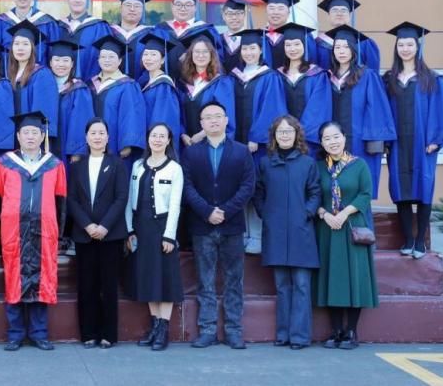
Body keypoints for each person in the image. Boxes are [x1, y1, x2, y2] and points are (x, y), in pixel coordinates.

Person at [0, 112, 67, 351]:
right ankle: (15, 334)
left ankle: (39, 333)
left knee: (42, 280)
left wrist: (58, 231)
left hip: (45, 232)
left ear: (42, 136)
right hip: (14, 231)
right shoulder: (4, 163)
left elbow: (61, 201)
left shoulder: (54, 165)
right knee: (14, 278)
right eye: (26, 132)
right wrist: (4, 224)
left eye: (35, 132)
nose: (30, 136)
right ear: (18, 136)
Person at [182, 101, 255, 350]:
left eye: (217, 116)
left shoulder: (241, 151)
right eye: (208, 117)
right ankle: (207, 330)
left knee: (234, 280)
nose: (213, 120)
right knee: (205, 280)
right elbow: (187, 186)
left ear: (226, 120)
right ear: (201, 123)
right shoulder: (191, 152)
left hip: (232, 225)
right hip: (202, 225)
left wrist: (225, 211)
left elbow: (248, 186)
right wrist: (207, 211)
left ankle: (234, 330)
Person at [384, 22, 443, 258]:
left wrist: (436, 139)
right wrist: (385, 140)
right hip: (398, 143)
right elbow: (383, 111)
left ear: (417, 47)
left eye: (409, 44)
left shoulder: (431, 79)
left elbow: (441, 111)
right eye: (401, 45)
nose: (405, 49)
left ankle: (421, 240)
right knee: (399, 189)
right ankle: (408, 239)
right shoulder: (389, 79)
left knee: (423, 187)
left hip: (423, 143)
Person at [253, 116, 320, 349]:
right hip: (276, 232)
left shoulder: (307, 163)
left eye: (289, 131)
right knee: (282, 286)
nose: (284, 135)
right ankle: (283, 334)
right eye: (280, 131)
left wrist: (307, 213)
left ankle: (300, 336)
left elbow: (315, 192)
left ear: (296, 135)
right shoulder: (265, 163)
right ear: (274, 136)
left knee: (301, 285)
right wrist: (266, 214)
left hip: (302, 232)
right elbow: (258, 192)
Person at [314, 121, 379, 350]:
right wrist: (324, 214)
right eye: (327, 138)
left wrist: (343, 214)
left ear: (344, 137)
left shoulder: (359, 165)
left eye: (336, 137)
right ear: (321, 143)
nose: (332, 142)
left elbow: (365, 194)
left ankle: (351, 331)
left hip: (352, 227)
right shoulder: (318, 168)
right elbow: (312, 196)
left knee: (354, 277)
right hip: (327, 229)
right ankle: (336, 330)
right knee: (331, 277)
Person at [67, 118, 128, 348]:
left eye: (102, 132)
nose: (97, 137)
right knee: (87, 286)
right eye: (93, 132)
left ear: (108, 137)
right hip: (84, 234)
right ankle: (88, 333)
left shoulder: (117, 164)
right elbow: (72, 199)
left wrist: (104, 226)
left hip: (110, 235)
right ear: (86, 137)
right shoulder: (77, 166)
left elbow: (121, 197)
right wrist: (88, 225)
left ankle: (108, 334)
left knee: (108, 286)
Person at [126, 122, 185, 351]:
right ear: (148, 139)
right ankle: (153, 326)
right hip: (141, 227)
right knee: (148, 277)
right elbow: (130, 200)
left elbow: (175, 205)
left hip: (162, 227)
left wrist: (169, 235)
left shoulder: (174, 168)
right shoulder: (137, 165)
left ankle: (163, 329)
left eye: (162, 136)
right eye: (154, 135)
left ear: (169, 140)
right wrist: (130, 229)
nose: (157, 140)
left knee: (165, 278)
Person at [230, 29, 287, 253]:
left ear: (261, 50)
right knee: (238, 186)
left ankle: (256, 235)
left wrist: (256, 137)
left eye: (253, 48)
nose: (248, 52)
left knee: (256, 187)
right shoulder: (234, 77)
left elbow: (271, 108)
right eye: (245, 48)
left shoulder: (269, 77)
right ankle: (242, 233)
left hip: (257, 147)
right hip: (236, 144)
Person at [325, 24, 396, 197]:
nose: (341, 51)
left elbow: (377, 110)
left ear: (354, 49)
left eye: (346, 47)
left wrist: (375, 141)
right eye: (337, 47)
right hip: (333, 143)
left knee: (359, 190)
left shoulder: (367, 75)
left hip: (359, 142)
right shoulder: (327, 77)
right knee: (335, 190)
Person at [276, 23, 332, 152]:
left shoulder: (317, 75)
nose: (292, 49)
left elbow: (317, 110)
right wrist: (285, 132)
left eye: (297, 44)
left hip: (308, 141)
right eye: (288, 45)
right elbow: (275, 106)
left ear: (305, 46)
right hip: (282, 138)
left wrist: (299, 135)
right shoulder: (277, 75)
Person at [89, 35, 146, 161]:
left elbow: (131, 114)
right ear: (98, 60)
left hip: (115, 144)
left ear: (120, 61)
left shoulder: (127, 85)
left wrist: (127, 143)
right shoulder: (91, 84)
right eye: (103, 57)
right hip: (92, 144)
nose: (106, 60)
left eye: (111, 57)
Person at [7, 21, 60, 146]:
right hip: (13, 137)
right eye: (16, 44)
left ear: (32, 48)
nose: (20, 48)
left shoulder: (42, 75)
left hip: (31, 141)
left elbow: (43, 113)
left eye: (25, 44)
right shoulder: (10, 75)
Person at [158, 0, 222, 82]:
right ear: (172, 6)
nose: (182, 8)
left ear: (195, 7)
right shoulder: (160, 29)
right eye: (178, 4)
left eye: (188, 4)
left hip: (195, 84)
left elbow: (217, 59)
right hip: (165, 83)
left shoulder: (207, 30)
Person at [177, 35, 235, 147]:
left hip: (212, 142)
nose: (201, 55)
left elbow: (225, 116)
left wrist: (201, 135)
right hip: (187, 143)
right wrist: (183, 134)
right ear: (191, 55)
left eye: (205, 52)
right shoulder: (183, 82)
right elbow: (178, 113)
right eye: (197, 52)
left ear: (211, 55)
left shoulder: (221, 82)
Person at [56, 0, 111, 80]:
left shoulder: (100, 27)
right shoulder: (58, 26)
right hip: (60, 85)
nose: (77, 0)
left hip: (90, 85)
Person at [49, 39, 94, 165]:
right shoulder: (43, 87)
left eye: (65, 60)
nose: (61, 64)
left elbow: (81, 121)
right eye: (57, 60)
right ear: (50, 63)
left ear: (72, 63)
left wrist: (76, 151)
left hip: (66, 149)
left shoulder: (79, 89)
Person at [314, 0, 380, 71]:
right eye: (334, 10)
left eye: (344, 10)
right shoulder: (318, 43)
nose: (339, 14)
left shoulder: (364, 42)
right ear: (328, 17)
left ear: (349, 16)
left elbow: (373, 71)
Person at [139, 33, 184, 146]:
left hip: (156, 143)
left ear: (163, 60)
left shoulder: (164, 86)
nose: (148, 58)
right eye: (145, 54)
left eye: (153, 54)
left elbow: (163, 119)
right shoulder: (145, 81)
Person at [259, 0, 318, 69]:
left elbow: (312, 61)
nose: (275, 12)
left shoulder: (304, 35)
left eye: (281, 8)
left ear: (288, 12)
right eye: (271, 8)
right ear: (266, 11)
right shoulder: (259, 36)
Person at [109, 0, 157, 80]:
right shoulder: (109, 32)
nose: (132, 9)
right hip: (110, 86)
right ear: (120, 8)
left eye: (137, 6)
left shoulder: (151, 34)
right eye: (128, 5)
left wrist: (140, 85)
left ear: (142, 10)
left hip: (142, 86)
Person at [218, 0, 249, 73]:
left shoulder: (253, 39)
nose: (234, 17)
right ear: (223, 16)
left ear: (244, 15)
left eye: (238, 13)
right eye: (230, 14)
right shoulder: (217, 39)